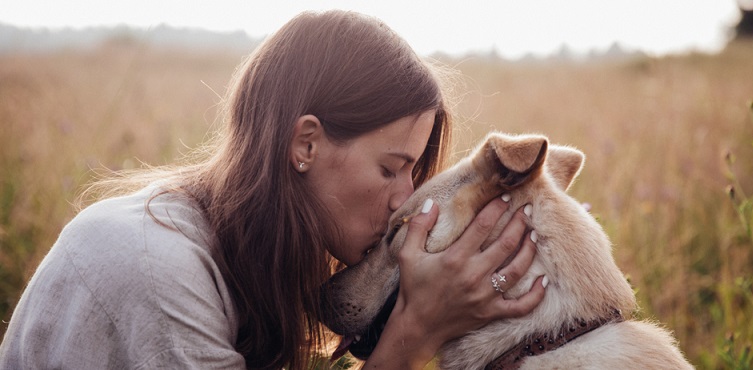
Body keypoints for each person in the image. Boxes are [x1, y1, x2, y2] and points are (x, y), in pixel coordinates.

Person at [0, 10, 546, 370]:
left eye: (413, 172)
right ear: (304, 143)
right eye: (389, 169)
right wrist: (415, 333)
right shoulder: (155, 268)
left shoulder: (248, 255)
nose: (406, 198)